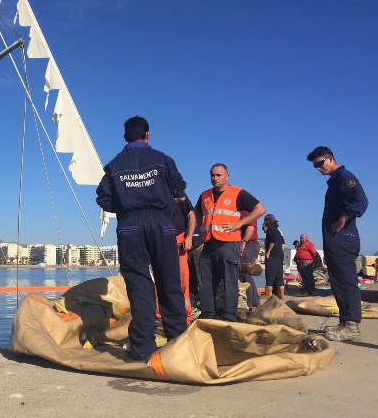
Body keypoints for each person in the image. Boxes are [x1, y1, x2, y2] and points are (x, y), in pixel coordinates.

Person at [96, 116, 187, 361]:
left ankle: (143, 348)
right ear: (148, 135)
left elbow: (102, 197)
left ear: (125, 137)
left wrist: (127, 205)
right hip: (161, 223)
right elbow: (179, 189)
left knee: (138, 284)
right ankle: (179, 342)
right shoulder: (163, 160)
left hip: (130, 225)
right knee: (169, 281)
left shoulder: (114, 165)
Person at [307, 146, 368, 342]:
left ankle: (351, 325)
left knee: (346, 280)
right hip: (335, 240)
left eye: (319, 163)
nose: (317, 168)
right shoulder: (335, 182)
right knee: (338, 281)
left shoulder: (344, 177)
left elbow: (360, 200)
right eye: (314, 166)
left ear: (330, 158)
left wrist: (344, 218)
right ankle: (345, 322)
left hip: (344, 239)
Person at [195, 163, 265, 322]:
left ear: (227, 176)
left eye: (219, 175)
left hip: (228, 244)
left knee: (229, 281)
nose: (215, 178)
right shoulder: (204, 195)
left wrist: (240, 223)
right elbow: (197, 213)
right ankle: (207, 315)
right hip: (208, 244)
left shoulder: (238, 193)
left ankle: (229, 317)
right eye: (212, 175)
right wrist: (201, 232)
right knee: (206, 281)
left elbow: (260, 209)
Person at [173, 195, 195, 324]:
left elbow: (191, 216)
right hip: (161, 242)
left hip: (179, 242)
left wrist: (189, 237)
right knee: (159, 280)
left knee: (183, 279)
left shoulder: (179, 194)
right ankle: (158, 314)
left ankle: (186, 315)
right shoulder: (153, 191)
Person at [239, 210, 261, 309]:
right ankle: (255, 301)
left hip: (249, 244)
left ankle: (249, 303)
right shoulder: (244, 212)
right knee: (247, 273)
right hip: (249, 243)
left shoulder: (245, 212)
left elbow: (250, 227)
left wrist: (243, 242)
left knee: (246, 271)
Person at [261, 214, 285, 299]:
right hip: (279, 255)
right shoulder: (277, 230)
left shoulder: (270, 229)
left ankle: (268, 293)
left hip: (273, 255)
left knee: (270, 273)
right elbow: (283, 244)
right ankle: (281, 294)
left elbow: (273, 240)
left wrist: (268, 252)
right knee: (279, 275)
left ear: (268, 221)